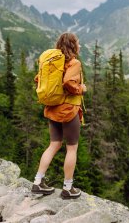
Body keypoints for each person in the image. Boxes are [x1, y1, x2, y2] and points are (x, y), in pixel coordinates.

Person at [31, 32, 87, 199]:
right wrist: (81, 88)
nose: (80, 45)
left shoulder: (53, 62)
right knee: (72, 148)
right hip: (68, 110)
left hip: (53, 109)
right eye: (78, 42)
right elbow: (69, 83)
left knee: (54, 144)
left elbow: (38, 79)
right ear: (73, 45)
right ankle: (68, 188)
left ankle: (37, 182)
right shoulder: (74, 63)